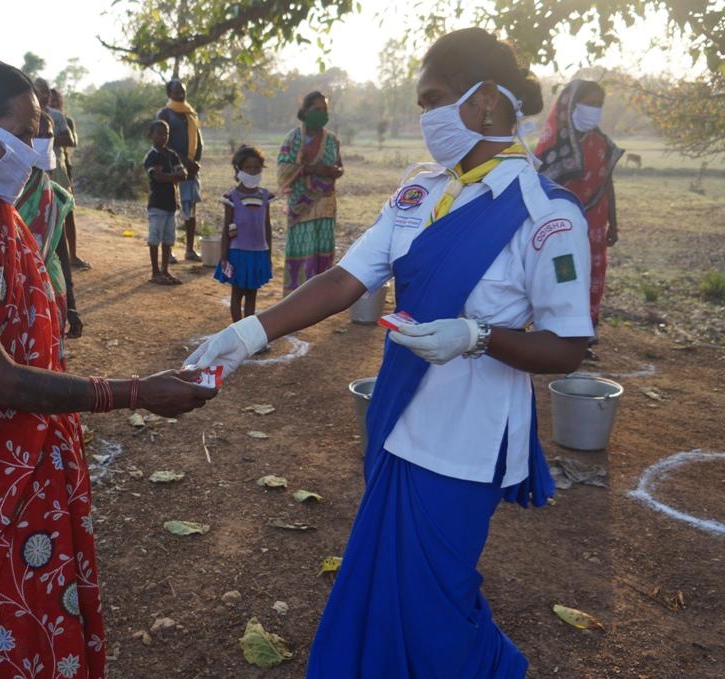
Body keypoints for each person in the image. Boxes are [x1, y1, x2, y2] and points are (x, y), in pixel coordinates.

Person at [187, 27, 593, 678]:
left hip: (468, 443)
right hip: (398, 422)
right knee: (383, 590)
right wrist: (247, 334)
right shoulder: (418, 193)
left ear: (486, 102)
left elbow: (569, 346)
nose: (423, 116)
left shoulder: (544, 214)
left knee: (438, 607)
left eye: (433, 99)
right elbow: (346, 279)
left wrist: (477, 336)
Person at [0, 53, 216, 678]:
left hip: (24, 462)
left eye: (40, 133)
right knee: (0, 635)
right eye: (24, 132)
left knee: (43, 618)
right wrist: (136, 393)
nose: (37, 148)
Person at [536, 80, 623, 349]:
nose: (594, 110)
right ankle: (559, 332)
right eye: (589, 103)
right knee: (565, 274)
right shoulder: (553, 147)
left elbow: (607, 183)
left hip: (596, 224)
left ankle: (586, 335)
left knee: (593, 273)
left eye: (599, 105)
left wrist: (614, 224)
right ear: (572, 105)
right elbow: (539, 188)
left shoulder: (604, 144)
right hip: (562, 229)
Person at [19, 109, 83, 342]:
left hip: (52, 289)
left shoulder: (55, 196)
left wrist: (73, 305)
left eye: (48, 136)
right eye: (36, 135)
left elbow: (61, 251)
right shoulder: (2, 194)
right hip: (16, 295)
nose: (43, 142)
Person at [276, 91, 343, 295]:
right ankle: (295, 298)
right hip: (301, 206)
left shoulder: (332, 140)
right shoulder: (293, 139)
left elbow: (339, 167)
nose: (322, 114)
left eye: (325, 110)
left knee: (323, 251)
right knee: (302, 251)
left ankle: (319, 298)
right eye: (317, 109)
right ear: (305, 112)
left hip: (325, 205)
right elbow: (283, 169)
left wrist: (335, 172)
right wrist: (314, 170)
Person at [213, 145, 274, 322]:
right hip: (238, 253)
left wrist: (268, 253)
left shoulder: (265, 196)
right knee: (237, 293)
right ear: (239, 168)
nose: (253, 171)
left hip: (258, 253)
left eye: (257, 167)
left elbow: (266, 225)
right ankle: (237, 328)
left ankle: (247, 330)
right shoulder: (232, 197)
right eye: (249, 167)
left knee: (252, 295)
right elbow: (226, 229)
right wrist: (224, 257)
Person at [36, 78, 90, 271]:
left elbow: (70, 139)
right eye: (39, 91)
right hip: (35, 170)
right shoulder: (27, 114)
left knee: (66, 212)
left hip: (57, 167)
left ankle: (71, 255)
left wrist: (46, 138)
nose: (43, 95)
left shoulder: (57, 117)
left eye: (46, 92)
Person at [158, 79, 203, 262]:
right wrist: (184, 161)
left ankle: (190, 250)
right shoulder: (165, 113)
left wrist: (195, 162)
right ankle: (168, 252)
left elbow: (198, 140)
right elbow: (163, 142)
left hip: (191, 171)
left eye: (183, 91)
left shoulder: (190, 113)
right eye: (177, 92)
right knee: (170, 211)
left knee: (190, 211)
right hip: (171, 169)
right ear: (169, 94)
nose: (181, 95)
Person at [144, 119, 187, 285]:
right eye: (160, 133)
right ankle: (155, 272)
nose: (163, 137)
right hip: (157, 204)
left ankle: (165, 270)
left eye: (166, 134)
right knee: (155, 239)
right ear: (151, 136)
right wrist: (173, 176)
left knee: (169, 239)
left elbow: (181, 175)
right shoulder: (151, 157)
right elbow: (159, 177)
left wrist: (167, 177)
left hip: (170, 203)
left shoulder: (171, 155)